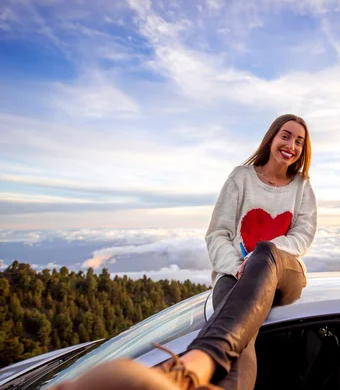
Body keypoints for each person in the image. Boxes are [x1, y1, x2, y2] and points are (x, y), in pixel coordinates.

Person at [49, 114, 317, 390]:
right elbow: (217, 234)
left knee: (265, 252)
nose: (291, 145)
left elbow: (303, 236)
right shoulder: (241, 177)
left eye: (299, 141)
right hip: (235, 272)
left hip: (285, 272)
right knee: (242, 335)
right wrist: (237, 266)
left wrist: (258, 257)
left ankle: (195, 362)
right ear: (272, 137)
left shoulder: (302, 187)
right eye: (285, 136)